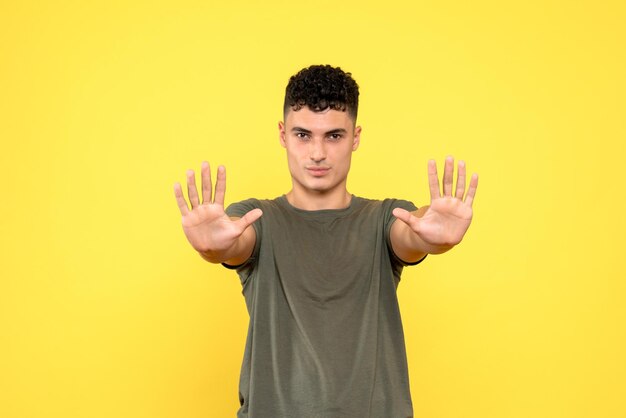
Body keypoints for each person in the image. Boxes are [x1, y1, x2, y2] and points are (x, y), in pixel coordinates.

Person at [173, 64, 478, 418]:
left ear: (356, 137)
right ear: (283, 135)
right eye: (303, 135)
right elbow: (234, 242)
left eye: (334, 136)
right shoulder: (258, 219)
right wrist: (213, 246)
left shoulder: (384, 219)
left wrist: (436, 238)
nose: (317, 153)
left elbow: (411, 234)